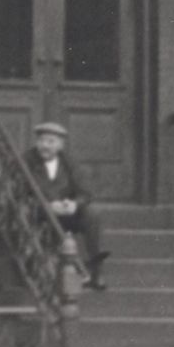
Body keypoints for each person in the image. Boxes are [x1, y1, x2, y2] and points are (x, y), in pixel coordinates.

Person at [23, 118, 107, 290]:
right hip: (39, 214)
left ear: (60, 145)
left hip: (66, 215)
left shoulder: (70, 162)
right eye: (41, 140)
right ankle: (40, 272)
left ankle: (96, 272)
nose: (44, 145)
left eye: (50, 141)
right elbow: (18, 194)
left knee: (93, 213)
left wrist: (74, 204)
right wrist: (46, 206)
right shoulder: (26, 161)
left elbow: (86, 193)